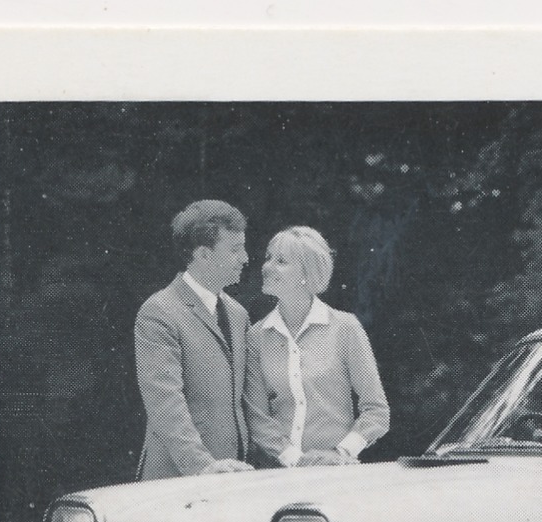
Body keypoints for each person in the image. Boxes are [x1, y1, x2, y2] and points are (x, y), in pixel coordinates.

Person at [244, 226, 389, 467]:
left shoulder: (345, 327)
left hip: (337, 472)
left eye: (281, 261)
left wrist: (341, 452)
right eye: (268, 258)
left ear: (306, 273)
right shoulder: (256, 336)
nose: (267, 267)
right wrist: (297, 460)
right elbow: (258, 418)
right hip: (276, 475)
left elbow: (376, 411)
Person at [134, 200, 254, 480]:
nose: (246, 258)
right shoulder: (159, 311)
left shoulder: (238, 314)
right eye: (235, 249)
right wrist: (201, 466)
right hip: (178, 477)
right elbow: (164, 399)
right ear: (203, 255)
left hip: (234, 475)